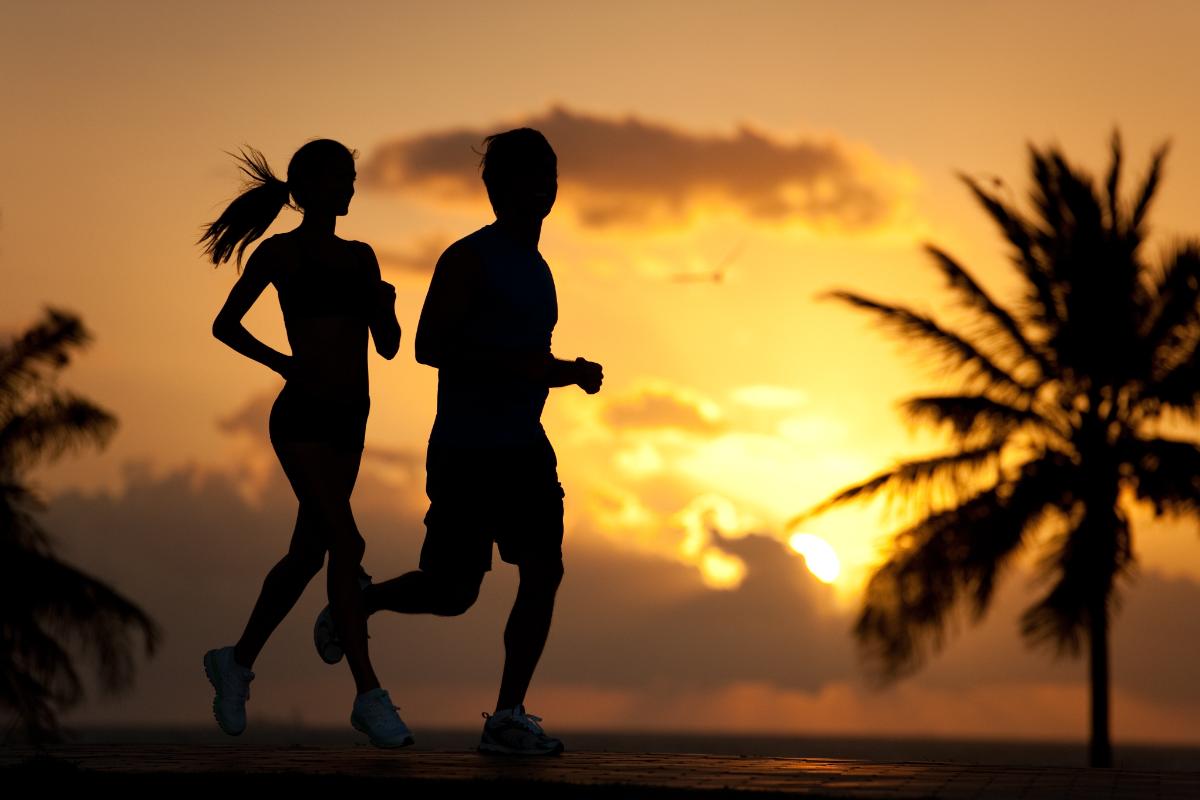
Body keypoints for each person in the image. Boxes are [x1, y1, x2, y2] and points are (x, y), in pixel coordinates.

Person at [313, 127, 603, 755]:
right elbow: (429, 347)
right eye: (524, 178)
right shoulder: (468, 258)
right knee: (451, 593)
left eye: (547, 178)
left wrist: (565, 373)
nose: (539, 190)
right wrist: (538, 368)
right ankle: (360, 603)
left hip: (524, 447)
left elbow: (530, 358)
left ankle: (507, 716)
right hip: (467, 452)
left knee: (544, 570)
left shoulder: (539, 268)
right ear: (495, 188)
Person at [199, 139, 412, 748]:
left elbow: (390, 346)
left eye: (352, 178)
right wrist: (286, 365)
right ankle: (369, 696)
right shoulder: (281, 255)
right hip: (301, 419)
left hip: (352, 422)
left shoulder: (362, 257)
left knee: (306, 556)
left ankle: (235, 662)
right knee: (347, 542)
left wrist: (385, 306)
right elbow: (225, 325)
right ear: (310, 185)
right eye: (343, 177)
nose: (351, 188)